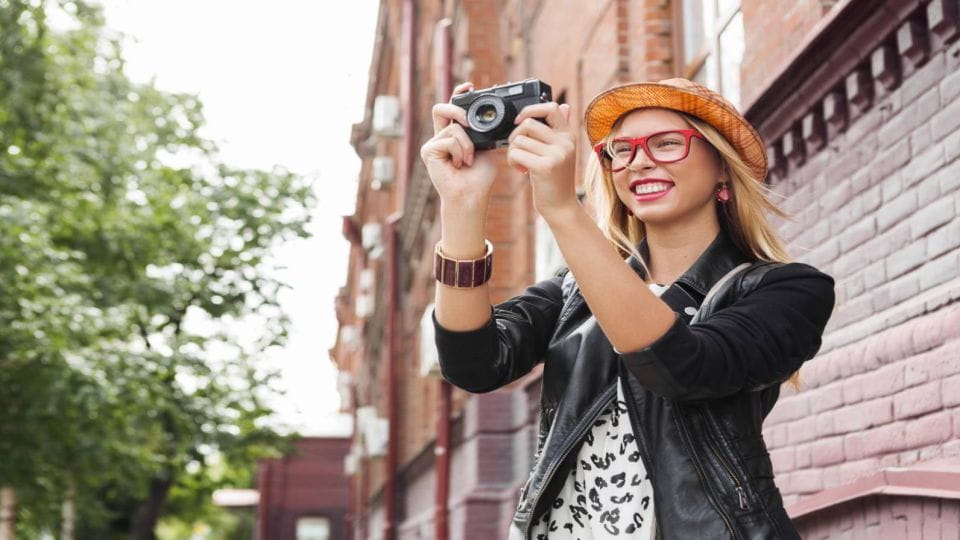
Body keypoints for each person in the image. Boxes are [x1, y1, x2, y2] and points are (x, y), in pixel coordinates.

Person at [420, 77, 836, 539]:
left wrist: (563, 211)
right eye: (622, 150)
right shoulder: (574, 291)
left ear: (722, 166)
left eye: (667, 143)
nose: (638, 161)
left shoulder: (788, 290)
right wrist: (461, 205)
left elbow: (681, 367)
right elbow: (474, 364)